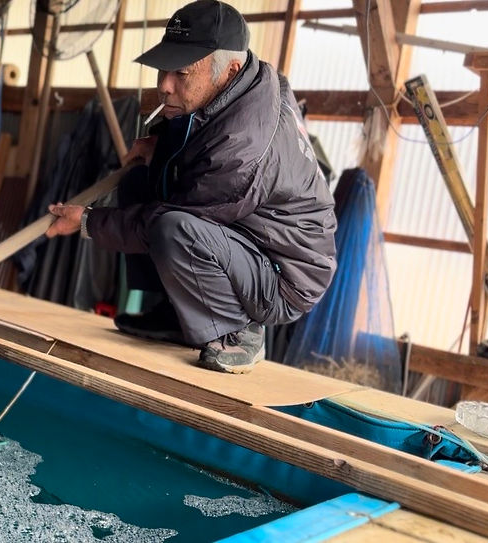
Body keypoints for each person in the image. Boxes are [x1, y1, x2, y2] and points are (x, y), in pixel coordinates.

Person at [45, 0, 337, 374]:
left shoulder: (241, 149)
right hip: (247, 242)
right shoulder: (251, 84)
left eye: (181, 73)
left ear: (230, 71)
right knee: (139, 181)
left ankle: (237, 332)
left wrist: (86, 221)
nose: (164, 86)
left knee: (172, 229)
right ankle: (177, 312)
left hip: (283, 276)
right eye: (162, 70)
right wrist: (160, 143)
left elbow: (163, 223)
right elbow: (203, 130)